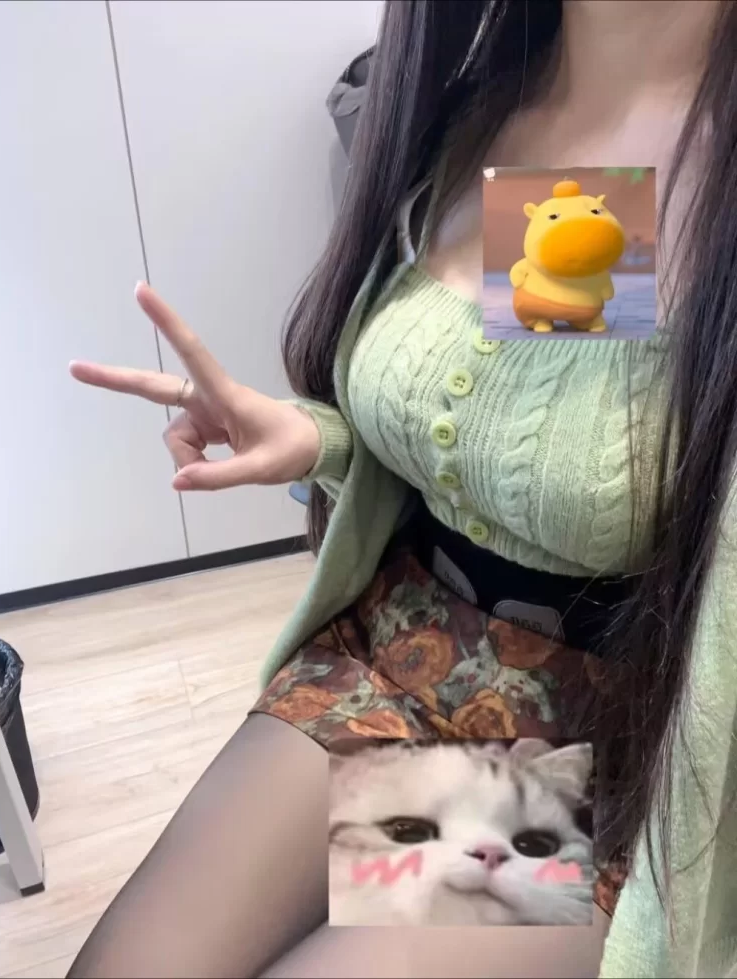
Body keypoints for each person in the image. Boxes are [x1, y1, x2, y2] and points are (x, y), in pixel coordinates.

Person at [66, 1, 737, 976]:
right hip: (399, 653)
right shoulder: (497, 123)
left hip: (604, 750)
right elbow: (519, 422)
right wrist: (322, 438)